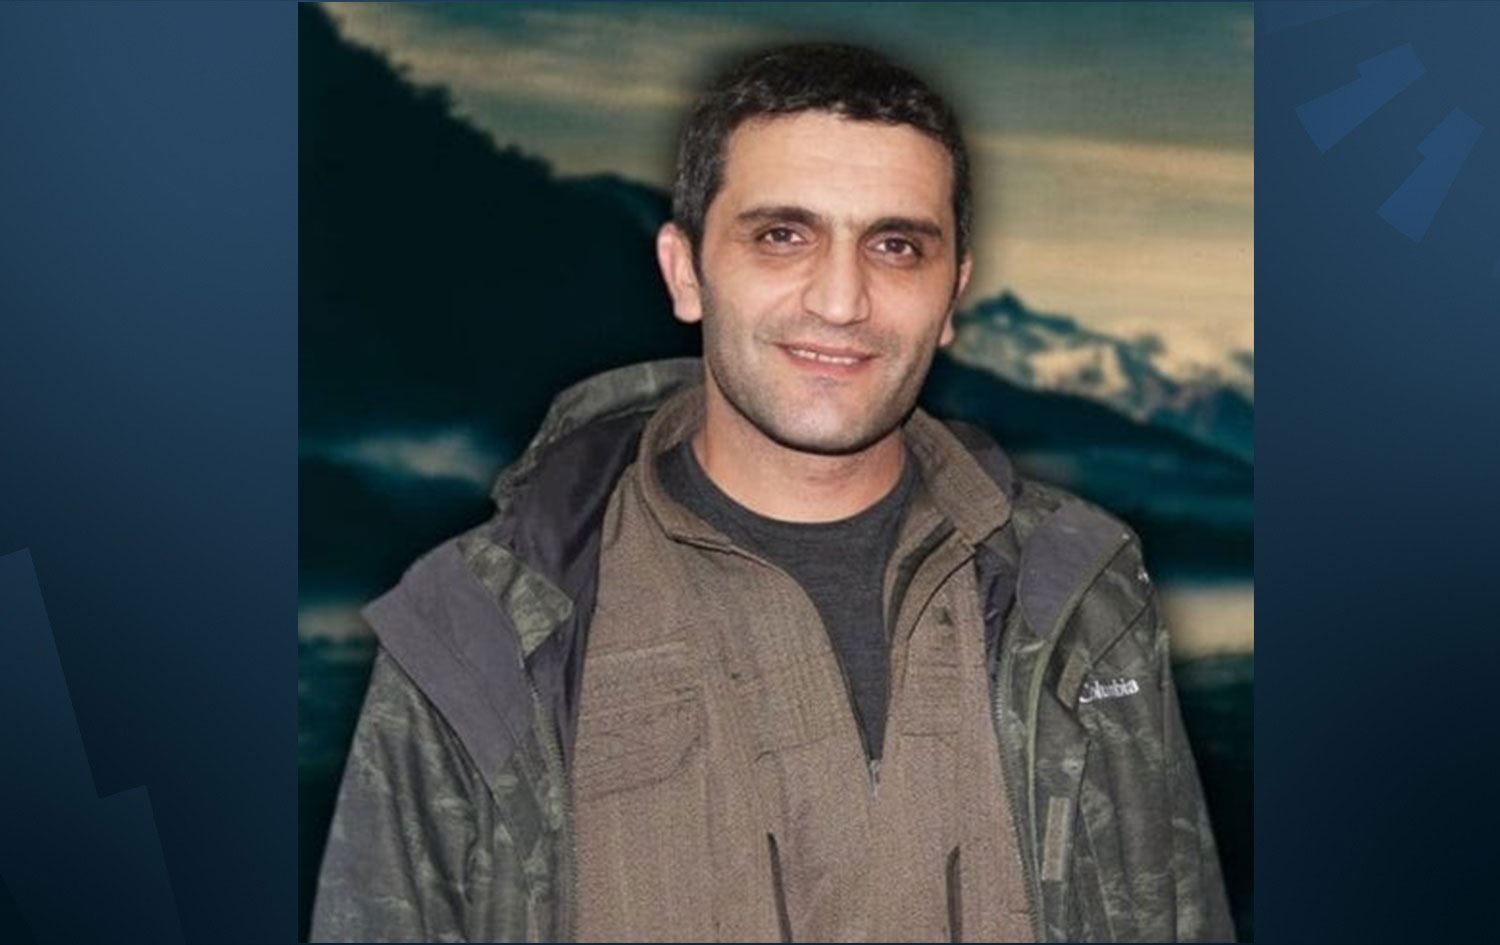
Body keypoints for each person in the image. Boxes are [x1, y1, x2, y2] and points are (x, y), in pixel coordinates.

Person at [311, 42, 1234, 943]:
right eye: (783, 236)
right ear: (685, 271)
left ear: (952, 294)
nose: (840, 299)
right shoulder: (478, 632)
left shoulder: (1081, 595)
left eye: (896, 246)